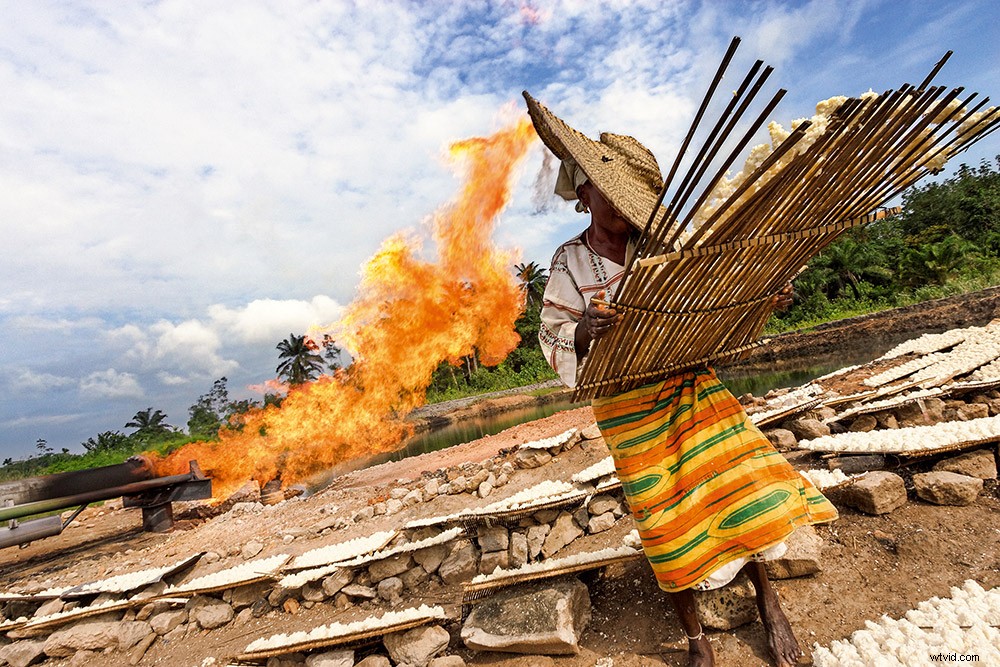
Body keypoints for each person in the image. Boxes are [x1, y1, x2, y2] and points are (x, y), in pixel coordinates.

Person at [524, 91, 838, 667]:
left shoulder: (663, 245)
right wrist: (588, 329)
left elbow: (718, 294)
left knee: (736, 488)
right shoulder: (568, 263)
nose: (620, 209)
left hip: (691, 384)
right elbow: (552, 337)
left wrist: (764, 295)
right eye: (609, 195)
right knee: (662, 517)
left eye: (629, 201)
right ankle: (697, 638)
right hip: (628, 407)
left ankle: (771, 607)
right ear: (586, 192)